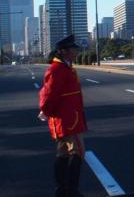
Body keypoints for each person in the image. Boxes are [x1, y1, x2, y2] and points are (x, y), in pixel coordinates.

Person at [38, 34, 87, 197]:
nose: (76, 51)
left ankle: (61, 191)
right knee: (78, 152)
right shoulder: (57, 69)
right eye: (73, 48)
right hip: (67, 120)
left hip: (68, 118)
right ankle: (71, 191)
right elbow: (48, 94)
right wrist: (46, 111)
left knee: (63, 153)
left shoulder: (65, 67)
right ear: (63, 51)